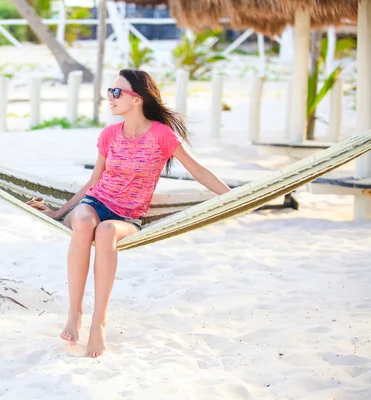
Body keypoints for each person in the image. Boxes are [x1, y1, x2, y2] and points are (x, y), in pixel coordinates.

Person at [27, 69, 231, 358]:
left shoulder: (162, 136)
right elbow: (93, 181)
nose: (109, 98)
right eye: (110, 91)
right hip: (94, 203)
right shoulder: (109, 134)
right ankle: (74, 314)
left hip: (127, 217)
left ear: (137, 100)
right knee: (85, 220)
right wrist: (58, 212)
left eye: (116, 92)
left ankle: (98, 323)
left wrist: (234, 197)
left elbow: (198, 170)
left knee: (106, 232)